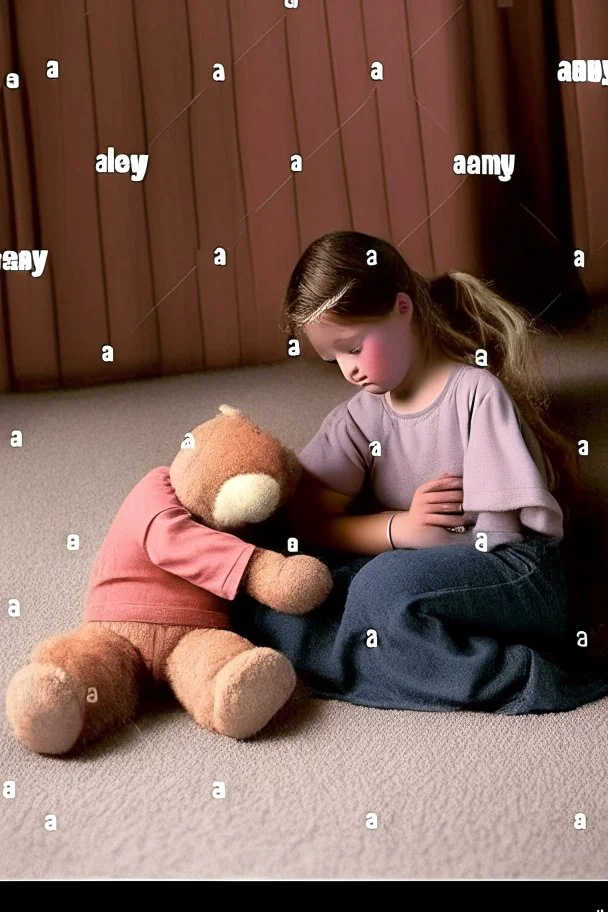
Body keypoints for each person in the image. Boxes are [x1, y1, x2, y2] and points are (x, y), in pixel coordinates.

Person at [230, 230, 608, 714]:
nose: (349, 370)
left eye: (353, 346)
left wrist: (421, 545)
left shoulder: (474, 393)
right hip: (415, 572)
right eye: (333, 358)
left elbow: (504, 538)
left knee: (382, 588)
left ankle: (531, 675)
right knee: (281, 594)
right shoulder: (358, 417)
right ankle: (392, 657)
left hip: (512, 575)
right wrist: (398, 527)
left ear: (401, 309)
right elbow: (307, 520)